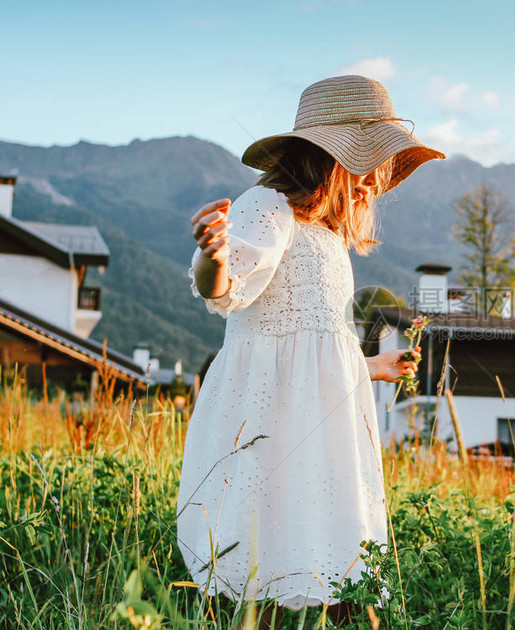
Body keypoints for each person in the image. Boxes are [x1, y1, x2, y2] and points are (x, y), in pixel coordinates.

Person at [175, 74, 446, 627]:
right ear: (325, 159)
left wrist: (368, 367)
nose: (377, 179)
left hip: (321, 419)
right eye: (366, 160)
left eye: (382, 164)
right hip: (274, 421)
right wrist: (213, 254)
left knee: (324, 540)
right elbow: (224, 288)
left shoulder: (326, 238)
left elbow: (313, 346)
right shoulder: (267, 207)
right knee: (275, 541)